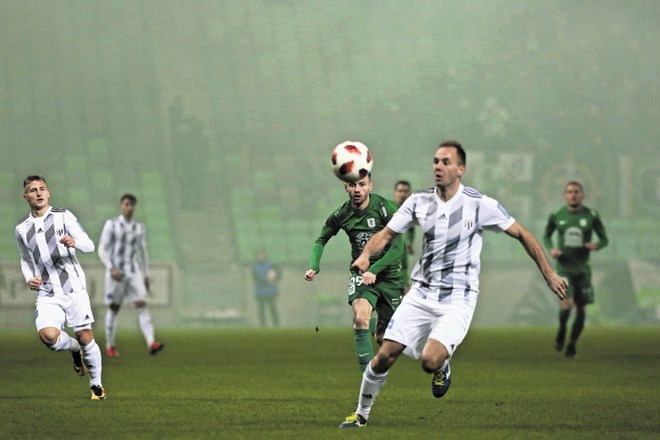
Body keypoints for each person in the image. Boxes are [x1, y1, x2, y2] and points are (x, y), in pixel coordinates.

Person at [339, 141, 567, 428]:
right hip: (421, 293)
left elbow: (522, 233)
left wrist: (549, 274)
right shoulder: (419, 202)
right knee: (384, 353)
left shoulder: (478, 204)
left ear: (461, 169)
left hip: (458, 299)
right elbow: (385, 234)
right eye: (435, 161)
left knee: (429, 361)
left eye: (446, 162)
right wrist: (365, 255)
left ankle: (442, 363)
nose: (438, 166)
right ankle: (361, 415)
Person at [15, 175, 106, 400]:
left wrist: (75, 242)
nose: (38, 193)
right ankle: (74, 349)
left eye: (42, 189)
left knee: (87, 337)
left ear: (48, 193)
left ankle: (96, 386)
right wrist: (29, 278)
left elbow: (89, 245)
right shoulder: (22, 229)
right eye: (33, 190)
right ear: (25, 197)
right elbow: (25, 259)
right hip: (46, 292)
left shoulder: (64, 216)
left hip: (73, 288)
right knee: (49, 337)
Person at [304, 173, 406, 372]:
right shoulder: (341, 214)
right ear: (346, 188)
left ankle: (439, 362)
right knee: (360, 319)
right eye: (352, 185)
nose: (357, 189)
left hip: (390, 277)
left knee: (386, 340)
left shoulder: (385, 209)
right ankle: (366, 377)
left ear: (370, 187)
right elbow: (321, 239)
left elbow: (397, 249)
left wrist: (375, 270)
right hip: (362, 274)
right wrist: (314, 265)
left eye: (362, 185)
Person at [543, 181, 608, 358]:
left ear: (582, 195)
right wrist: (551, 249)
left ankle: (572, 345)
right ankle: (562, 329)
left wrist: (596, 245)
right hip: (564, 267)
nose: (573, 195)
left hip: (583, 269)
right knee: (567, 304)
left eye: (576, 192)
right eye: (569, 192)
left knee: (581, 309)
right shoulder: (557, 215)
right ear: (565, 195)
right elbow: (546, 236)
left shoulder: (591, 215)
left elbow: (604, 239)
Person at [98, 194, 164, 356]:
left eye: (132, 205)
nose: (129, 208)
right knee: (114, 308)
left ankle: (151, 343)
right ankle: (110, 345)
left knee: (142, 304)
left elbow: (142, 252)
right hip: (116, 273)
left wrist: (146, 274)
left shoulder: (139, 227)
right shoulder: (112, 224)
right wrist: (110, 267)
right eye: (127, 204)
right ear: (121, 206)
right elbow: (102, 248)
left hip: (133, 271)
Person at [392, 180, 415, 291]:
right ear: (395, 193)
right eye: (400, 191)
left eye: (405, 191)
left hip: (402, 262)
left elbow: (411, 228)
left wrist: (410, 243)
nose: (402, 194)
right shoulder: (388, 210)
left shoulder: (409, 213)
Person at [252, 249, 281, 328]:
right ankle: (263, 327)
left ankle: (276, 326)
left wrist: (274, 277)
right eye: (259, 255)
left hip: (270, 291)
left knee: (273, 309)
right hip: (260, 292)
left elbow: (278, 275)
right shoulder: (254, 266)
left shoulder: (271, 265)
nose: (260, 257)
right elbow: (256, 279)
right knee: (261, 311)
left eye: (262, 255)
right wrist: (267, 280)